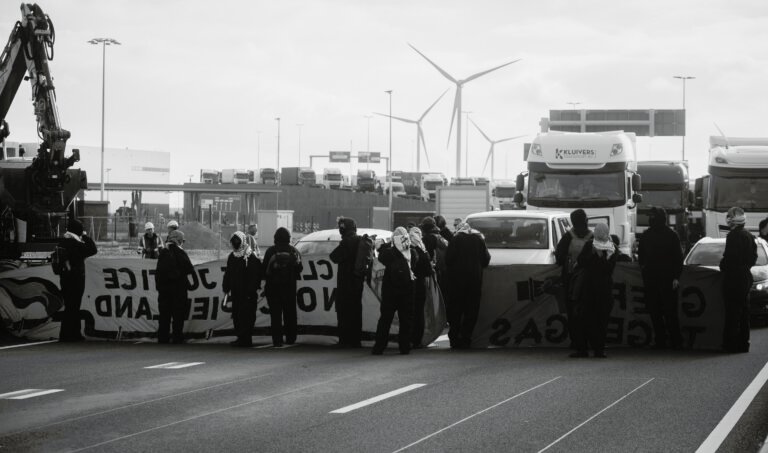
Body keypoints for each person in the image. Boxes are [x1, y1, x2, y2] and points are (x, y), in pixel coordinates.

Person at [638, 207, 684, 349]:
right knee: (662, 312)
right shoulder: (670, 235)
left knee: (661, 312)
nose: (650, 219)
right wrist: (676, 276)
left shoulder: (652, 235)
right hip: (661, 279)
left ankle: (667, 340)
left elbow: (678, 258)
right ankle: (670, 341)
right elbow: (678, 258)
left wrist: (675, 277)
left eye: (652, 216)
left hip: (660, 279)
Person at [570, 223, 617, 358]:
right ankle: (583, 349)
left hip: (603, 290)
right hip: (589, 288)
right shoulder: (590, 245)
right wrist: (592, 254)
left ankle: (598, 349)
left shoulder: (612, 249)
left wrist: (600, 256)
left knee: (601, 320)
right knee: (585, 318)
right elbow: (581, 261)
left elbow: (608, 269)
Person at [372, 227, 418, 355]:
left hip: (390, 290)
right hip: (407, 289)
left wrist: (387, 244)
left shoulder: (389, 253)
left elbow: (381, 257)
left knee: (385, 319)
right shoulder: (412, 253)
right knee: (406, 319)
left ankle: (379, 347)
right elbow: (415, 265)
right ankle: (405, 347)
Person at [444, 222, 491, 348]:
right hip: (474, 280)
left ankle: (454, 337)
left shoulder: (455, 239)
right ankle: (466, 337)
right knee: (471, 309)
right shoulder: (479, 239)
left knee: (456, 309)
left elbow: (448, 259)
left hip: (456, 281)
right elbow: (486, 260)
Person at [720, 207, 757, 353]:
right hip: (745, 277)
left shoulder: (733, 236)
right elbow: (753, 258)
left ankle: (730, 344)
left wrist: (723, 266)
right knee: (744, 312)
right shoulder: (749, 236)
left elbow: (729, 259)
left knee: (732, 312)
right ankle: (743, 344)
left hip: (734, 278)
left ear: (732, 220)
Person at [554, 209, 593, 345]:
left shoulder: (567, 237)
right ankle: (587, 339)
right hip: (588, 281)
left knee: (573, 310)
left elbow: (558, 258)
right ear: (585, 221)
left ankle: (576, 340)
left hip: (571, 279)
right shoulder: (593, 237)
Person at [56, 219, 97, 342]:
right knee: (74, 306)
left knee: (69, 306)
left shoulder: (62, 242)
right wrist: (85, 236)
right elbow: (92, 249)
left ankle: (67, 333)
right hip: (76, 279)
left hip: (65, 278)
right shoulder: (75, 244)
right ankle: (72, 334)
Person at [329, 217, 367, 347]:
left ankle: (344, 340)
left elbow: (333, 257)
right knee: (356, 311)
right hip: (358, 281)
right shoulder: (360, 240)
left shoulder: (346, 242)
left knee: (343, 311)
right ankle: (356, 340)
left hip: (346, 282)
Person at [262, 227, 303, 347]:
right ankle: (291, 338)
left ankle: (277, 340)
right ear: (288, 238)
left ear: (275, 238)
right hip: (289, 288)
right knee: (290, 314)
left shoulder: (270, 251)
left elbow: (264, 270)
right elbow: (299, 268)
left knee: (275, 315)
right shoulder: (294, 251)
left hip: (273, 288)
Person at [222, 231, 262, 347]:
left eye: (237, 242)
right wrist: (226, 287)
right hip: (236, 292)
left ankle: (246, 339)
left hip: (248, 293)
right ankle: (240, 337)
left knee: (247, 316)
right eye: (233, 242)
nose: (235, 244)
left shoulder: (250, 257)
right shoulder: (232, 256)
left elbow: (255, 276)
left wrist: (250, 291)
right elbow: (228, 273)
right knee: (236, 315)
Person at [155, 230, 194, 344]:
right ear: (179, 240)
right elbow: (189, 268)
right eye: (182, 240)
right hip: (178, 290)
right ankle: (177, 337)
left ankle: (163, 337)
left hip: (164, 291)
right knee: (178, 315)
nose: (183, 242)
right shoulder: (180, 252)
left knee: (164, 315)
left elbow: (158, 272)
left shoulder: (163, 252)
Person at [409, 226, 433, 349]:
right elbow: (429, 270)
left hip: (409, 284)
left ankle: (409, 337)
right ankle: (417, 339)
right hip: (420, 284)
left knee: (409, 312)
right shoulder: (423, 251)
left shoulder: (406, 249)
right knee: (419, 312)